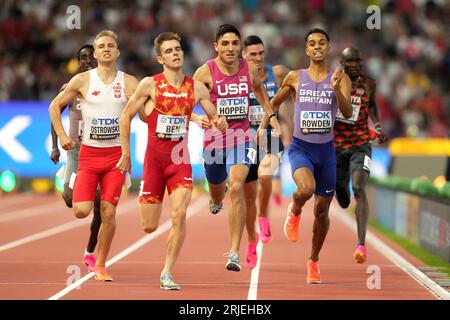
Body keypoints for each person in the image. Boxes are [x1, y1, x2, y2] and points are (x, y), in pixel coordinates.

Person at [116, 32, 227, 290]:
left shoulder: (196, 87)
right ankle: (162, 253)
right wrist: (125, 153)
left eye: (178, 49)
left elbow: (215, 118)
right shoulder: (149, 85)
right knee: (149, 226)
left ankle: (167, 272)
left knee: (179, 214)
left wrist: (218, 122)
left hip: (180, 162)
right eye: (169, 51)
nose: (176, 53)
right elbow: (124, 117)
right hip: (154, 163)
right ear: (159, 58)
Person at [49, 30, 139, 282]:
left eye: (111, 45)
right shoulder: (82, 81)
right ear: (97, 53)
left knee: (108, 212)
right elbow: (54, 106)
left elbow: (147, 111)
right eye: (102, 46)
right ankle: (72, 183)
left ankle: (100, 264)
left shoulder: (130, 82)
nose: (107, 49)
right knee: (80, 210)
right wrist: (62, 136)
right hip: (87, 155)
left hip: (116, 158)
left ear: (117, 51)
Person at [193, 24, 281, 272]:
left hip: (242, 138)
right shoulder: (205, 72)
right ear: (216, 47)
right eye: (226, 44)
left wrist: (270, 114)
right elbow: (186, 100)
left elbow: (260, 91)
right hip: (214, 141)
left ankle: (233, 252)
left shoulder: (248, 69)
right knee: (218, 191)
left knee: (237, 186)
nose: (231, 48)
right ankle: (214, 197)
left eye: (235, 43)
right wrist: (195, 118)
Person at [269, 28, 352, 284]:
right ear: (306, 50)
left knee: (322, 212)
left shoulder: (340, 77)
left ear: (329, 48)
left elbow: (348, 113)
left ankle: (313, 261)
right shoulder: (295, 77)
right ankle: (294, 211)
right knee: (305, 189)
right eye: (312, 44)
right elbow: (274, 103)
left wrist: (337, 90)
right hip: (301, 147)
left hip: (326, 152)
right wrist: (273, 122)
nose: (317, 47)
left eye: (322, 43)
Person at [49, 45, 101, 272]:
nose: (86, 61)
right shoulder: (69, 87)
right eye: (82, 58)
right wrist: (55, 146)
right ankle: (77, 185)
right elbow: (54, 114)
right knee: (70, 200)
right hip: (75, 152)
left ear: (98, 59)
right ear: (78, 62)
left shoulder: (107, 88)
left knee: (101, 209)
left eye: (90, 57)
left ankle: (90, 251)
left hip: (100, 151)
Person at [333, 47, 387, 264]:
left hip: (360, 145)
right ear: (342, 62)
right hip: (336, 147)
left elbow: (372, 106)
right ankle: (341, 191)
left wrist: (379, 126)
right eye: (349, 61)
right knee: (343, 199)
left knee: (359, 188)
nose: (354, 65)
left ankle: (361, 244)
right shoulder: (333, 81)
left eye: (357, 60)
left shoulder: (369, 83)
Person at [241, 35, 290, 269]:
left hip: (271, 139)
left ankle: (263, 217)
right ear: (244, 56)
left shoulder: (278, 72)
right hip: (245, 141)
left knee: (265, 175)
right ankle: (251, 241)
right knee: (247, 197)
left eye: (261, 53)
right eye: (253, 54)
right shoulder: (238, 78)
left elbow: (299, 89)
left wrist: (289, 123)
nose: (259, 58)